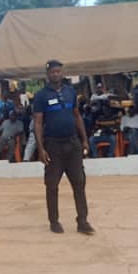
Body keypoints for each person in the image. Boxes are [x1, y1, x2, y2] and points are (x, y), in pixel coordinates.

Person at [33, 60, 95, 235]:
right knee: (52, 185)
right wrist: (41, 148)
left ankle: (82, 221)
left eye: (58, 71)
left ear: (62, 73)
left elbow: (76, 116)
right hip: (53, 145)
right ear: (48, 74)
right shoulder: (41, 95)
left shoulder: (70, 92)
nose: (56, 74)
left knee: (79, 183)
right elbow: (38, 122)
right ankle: (54, 221)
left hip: (73, 143)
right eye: (53, 72)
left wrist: (84, 139)